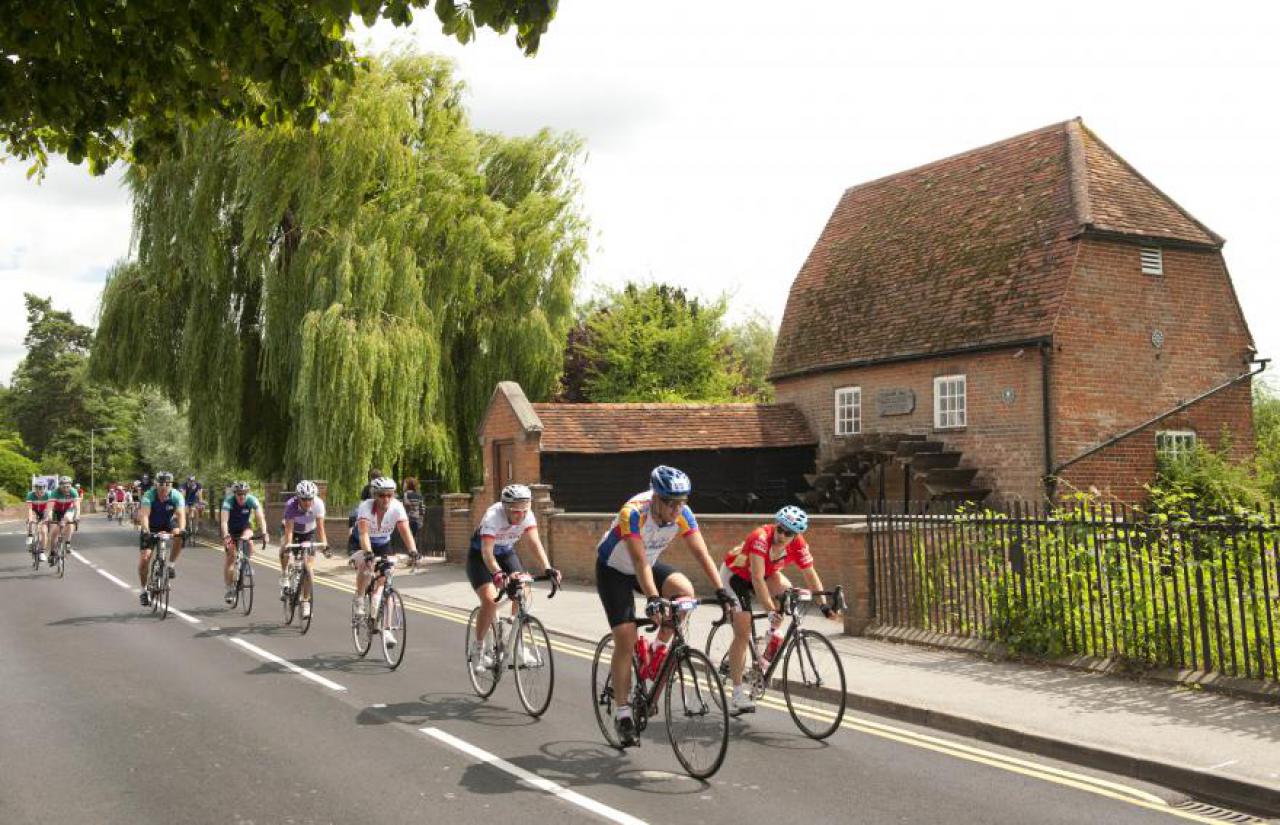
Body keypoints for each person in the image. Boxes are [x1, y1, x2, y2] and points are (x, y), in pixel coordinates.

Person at [595, 465, 735, 747]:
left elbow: (701, 552)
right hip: (615, 570)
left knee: (684, 593)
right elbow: (638, 562)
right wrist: (652, 599)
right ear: (655, 497)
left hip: (648, 565)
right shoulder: (633, 512)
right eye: (669, 502)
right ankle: (623, 714)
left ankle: (658, 650)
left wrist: (721, 590)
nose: (675, 509)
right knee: (626, 636)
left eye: (681, 502)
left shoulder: (683, 514)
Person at [720, 505, 838, 715]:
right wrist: (768, 610)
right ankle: (737, 694)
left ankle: (765, 652)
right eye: (780, 529)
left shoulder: (799, 544)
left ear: (796, 535)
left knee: (789, 596)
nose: (782, 535)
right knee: (743, 632)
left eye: (789, 533)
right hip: (736, 576)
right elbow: (756, 578)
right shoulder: (760, 538)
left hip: (766, 574)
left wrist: (824, 606)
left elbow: (810, 574)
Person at [466, 484, 560, 672]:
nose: (521, 516)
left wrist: (548, 568)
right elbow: (487, 553)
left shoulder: (527, 514)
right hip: (481, 557)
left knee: (522, 591)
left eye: (524, 511)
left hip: (506, 553)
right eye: (516, 512)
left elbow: (534, 542)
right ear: (505, 507)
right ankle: (478, 649)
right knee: (490, 601)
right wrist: (498, 573)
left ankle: (512, 639)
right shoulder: (493, 517)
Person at [352, 476, 418, 649]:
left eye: (389, 495)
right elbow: (364, 534)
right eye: (382, 495)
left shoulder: (397, 507)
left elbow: (405, 531)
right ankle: (359, 599)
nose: (386, 499)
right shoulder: (365, 507)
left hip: (383, 544)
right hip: (366, 542)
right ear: (375, 495)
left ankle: (386, 628)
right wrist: (367, 554)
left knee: (385, 584)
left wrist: (413, 551)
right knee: (366, 568)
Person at [278, 480, 329, 619]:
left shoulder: (318, 504)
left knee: (309, 570)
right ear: (298, 498)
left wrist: (325, 545)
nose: (307, 502)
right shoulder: (291, 505)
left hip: (309, 533)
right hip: (293, 531)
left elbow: (320, 527)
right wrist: (287, 547)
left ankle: (305, 601)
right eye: (304, 499)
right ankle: (284, 576)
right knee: (284, 548)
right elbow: (289, 531)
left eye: (310, 499)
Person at [137, 471, 186, 606]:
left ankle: (170, 565)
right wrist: (146, 531)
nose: (164, 487)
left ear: (171, 485)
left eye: (168, 484)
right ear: (156, 484)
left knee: (179, 535)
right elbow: (145, 516)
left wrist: (182, 530)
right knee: (145, 559)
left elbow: (181, 515)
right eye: (161, 484)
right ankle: (143, 591)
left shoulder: (176, 495)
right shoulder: (149, 495)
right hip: (151, 526)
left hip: (167, 523)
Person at [220, 481, 267, 605]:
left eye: (244, 494)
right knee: (231, 556)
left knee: (249, 541)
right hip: (230, 530)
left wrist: (264, 533)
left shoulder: (252, 500)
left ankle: (245, 565)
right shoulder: (228, 502)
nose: (242, 496)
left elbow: (260, 517)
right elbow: (224, 521)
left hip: (244, 527)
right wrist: (226, 536)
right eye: (239, 494)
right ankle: (230, 589)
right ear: (235, 494)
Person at [48, 475, 81, 554]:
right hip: (57, 511)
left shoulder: (73, 491)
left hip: (68, 510)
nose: (66, 489)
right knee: (54, 533)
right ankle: (52, 551)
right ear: (60, 486)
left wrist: (77, 516)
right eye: (64, 487)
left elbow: (77, 506)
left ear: (70, 486)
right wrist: (49, 516)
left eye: (68, 486)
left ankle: (68, 543)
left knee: (69, 521)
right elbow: (50, 507)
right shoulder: (55, 492)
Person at [25, 478, 54, 560]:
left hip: (44, 511)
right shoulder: (30, 495)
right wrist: (30, 519)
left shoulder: (49, 494)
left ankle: (42, 552)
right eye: (37, 487)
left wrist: (47, 518)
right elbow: (30, 509)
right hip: (34, 511)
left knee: (44, 532)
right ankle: (30, 536)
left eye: (41, 488)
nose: (39, 490)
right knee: (30, 521)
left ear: (45, 488)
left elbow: (50, 509)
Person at [402, 476, 424, 544]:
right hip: (417, 519)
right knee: (414, 536)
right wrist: (421, 520)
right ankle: (414, 551)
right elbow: (422, 509)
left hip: (408, 518)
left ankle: (411, 551)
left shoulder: (406, 494)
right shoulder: (419, 495)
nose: (403, 485)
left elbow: (405, 505)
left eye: (405, 483)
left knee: (408, 536)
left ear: (408, 485)